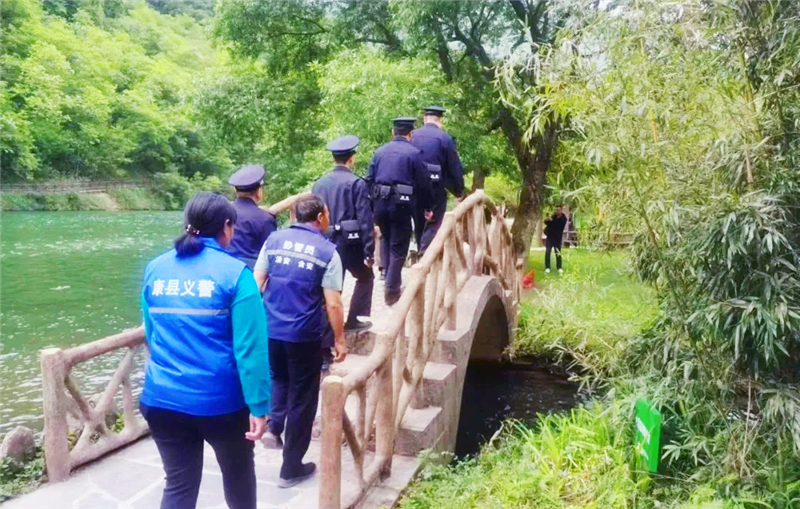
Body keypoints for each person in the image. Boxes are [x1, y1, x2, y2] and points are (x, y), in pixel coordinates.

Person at [140, 192, 270, 509]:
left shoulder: (155, 269)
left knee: (179, 486)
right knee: (238, 478)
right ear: (226, 226)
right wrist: (259, 405)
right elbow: (250, 351)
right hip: (221, 405)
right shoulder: (236, 275)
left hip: (161, 399)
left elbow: (152, 333)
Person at [253, 195, 347, 488]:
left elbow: (256, 283)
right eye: (327, 213)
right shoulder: (328, 251)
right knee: (303, 400)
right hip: (304, 335)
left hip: (271, 329)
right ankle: (291, 467)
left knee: (279, 378)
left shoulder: (274, 241)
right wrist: (340, 340)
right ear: (319, 217)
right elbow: (333, 304)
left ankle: (274, 427)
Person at [366, 117, 433, 305]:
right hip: (400, 205)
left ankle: (387, 276)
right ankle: (392, 292)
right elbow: (424, 183)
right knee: (399, 247)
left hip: (380, 203)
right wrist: (428, 207)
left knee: (387, 238)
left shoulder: (379, 152)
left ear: (392, 132)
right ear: (410, 134)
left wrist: (371, 206)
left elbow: (369, 179)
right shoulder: (414, 154)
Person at [312, 134, 374, 332]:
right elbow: (365, 219)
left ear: (333, 158)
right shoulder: (357, 183)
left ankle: (325, 330)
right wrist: (369, 252)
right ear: (352, 158)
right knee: (365, 277)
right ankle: (354, 319)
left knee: (329, 286)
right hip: (350, 244)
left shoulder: (319, 183)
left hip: (323, 241)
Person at [411, 106, 465, 253]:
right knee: (434, 222)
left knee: (419, 221)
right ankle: (426, 253)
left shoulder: (412, 136)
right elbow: (454, 166)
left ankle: (421, 250)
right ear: (440, 120)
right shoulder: (444, 138)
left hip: (414, 187)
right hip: (435, 187)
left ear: (424, 119)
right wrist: (459, 190)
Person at [227, 164, 278, 270]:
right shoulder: (265, 218)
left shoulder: (223, 211)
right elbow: (271, 253)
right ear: (258, 192)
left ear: (236, 192)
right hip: (251, 273)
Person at [543, 205, 568, 274]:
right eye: (556, 210)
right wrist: (548, 220)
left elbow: (559, 226)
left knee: (558, 253)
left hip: (557, 238)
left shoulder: (563, 218)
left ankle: (559, 267)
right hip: (550, 237)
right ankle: (547, 267)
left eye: (558, 210)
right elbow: (546, 222)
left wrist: (552, 221)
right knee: (547, 252)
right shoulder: (553, 216)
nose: (556, 211)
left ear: (561, 210)